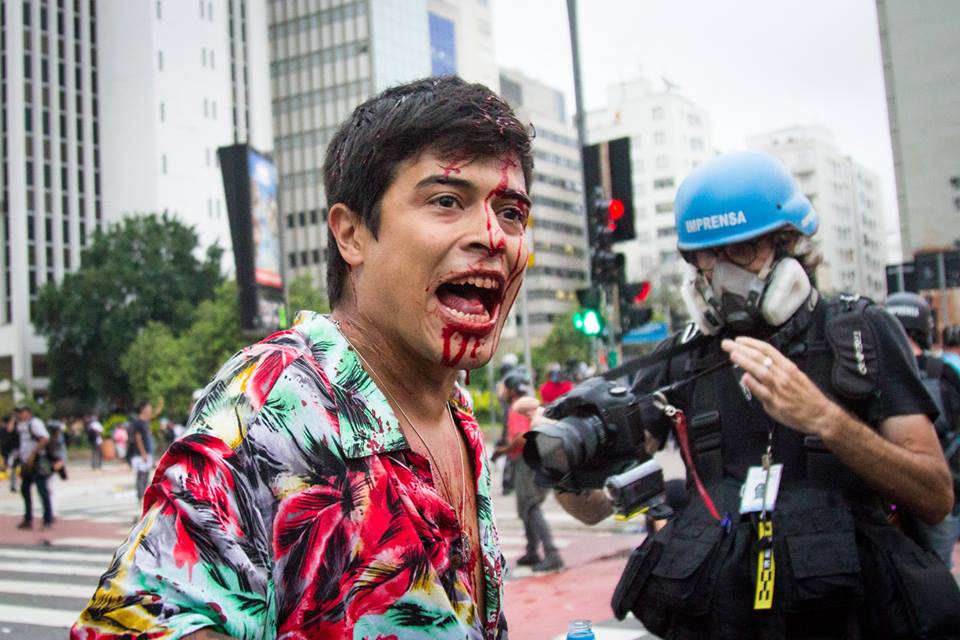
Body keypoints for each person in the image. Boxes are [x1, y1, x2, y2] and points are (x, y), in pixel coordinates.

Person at [73, 76, 533, 640]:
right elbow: (132, 625)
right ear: (352, 233)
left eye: (511, 212)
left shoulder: (453, 409)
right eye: (446, 200)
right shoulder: (275, 399)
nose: (494, 236)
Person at [552, 151, 956, 638]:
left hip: (851, 618)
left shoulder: (861, 334)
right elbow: (596, 507)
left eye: (740, 251)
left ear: (787, 246)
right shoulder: (680, 360)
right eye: (706, 256)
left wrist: (826, 420)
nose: (721, 275)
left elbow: (935, 495)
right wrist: (561, 462)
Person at [884, 292, 960, 568]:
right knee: (939, 573)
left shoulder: (874, 371)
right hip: (940, 487)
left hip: (887, 490)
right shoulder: (944, 371)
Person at [496, 370, 564, 572]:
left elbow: (522, 436)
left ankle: (552, 554)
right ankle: (532, 550)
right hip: (534, 459)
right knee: (526, 507)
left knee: (531, 506)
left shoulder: (517, 407)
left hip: (526, 461)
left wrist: (505, 450)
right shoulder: (529, 403)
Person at [14, 404, 54, 530]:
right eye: (18, 412)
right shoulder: (20, 425)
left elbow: (45, 438)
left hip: (36, 461)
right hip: (25, 462)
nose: (19, 415)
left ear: (28, 412)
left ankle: (47, 520)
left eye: (21, 412)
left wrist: (33, 454)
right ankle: (27, 519)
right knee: (25, 489)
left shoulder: (35, 423)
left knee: (42, 491)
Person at [128, 400, 160, 503]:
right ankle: (140, 496)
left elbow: (155, 414)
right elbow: (138, 438)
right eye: (149, 407)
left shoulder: (146, 421)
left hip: (147, 452)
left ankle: (145, 495)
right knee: (141, 474)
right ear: (143, 409)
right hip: (141, 453)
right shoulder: (138, 422)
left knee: (146, 474)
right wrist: (143, 453)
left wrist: (160, 404)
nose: (150, 410)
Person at [1, 414, 18, 492]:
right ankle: (13, 484)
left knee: (12, 469)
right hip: (7, 452)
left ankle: (13, 485)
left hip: (12, 452)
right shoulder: (3, 430)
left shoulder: (15, 430)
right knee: (10, 468)